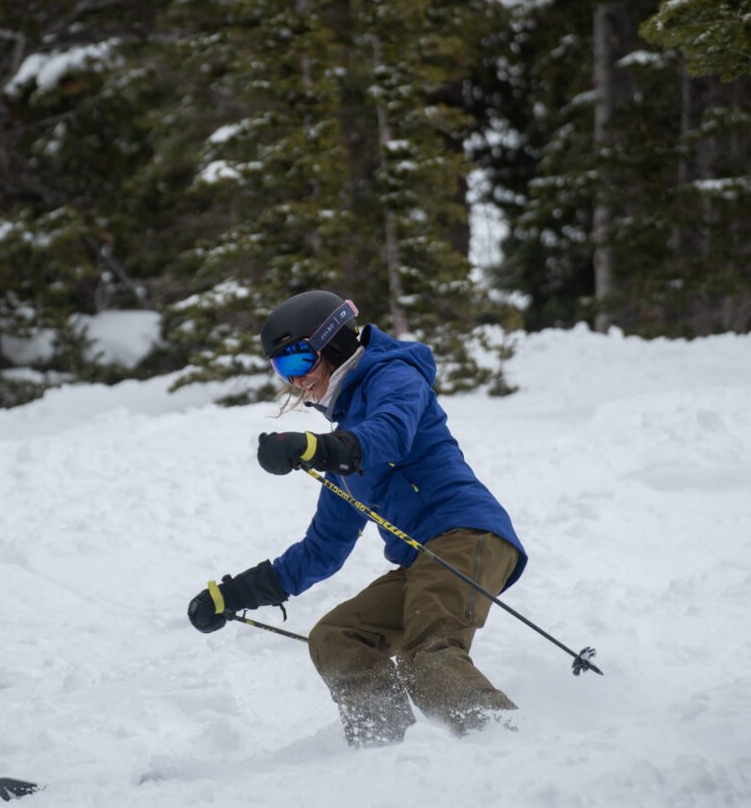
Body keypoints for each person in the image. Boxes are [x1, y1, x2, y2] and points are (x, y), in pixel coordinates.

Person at [187, 290, 527, 746]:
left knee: (427, 656)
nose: (295, 381)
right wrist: (234, 594)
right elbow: (321, 549)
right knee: (336, 636)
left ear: (331, 344)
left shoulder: (395, 375)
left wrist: (316, 449)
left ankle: (512, 747)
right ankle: (384, 746)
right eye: (281, 369)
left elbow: (389, 432)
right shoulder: (345, 444)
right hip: (423, 560)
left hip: (468, 536)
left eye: (297, 362)